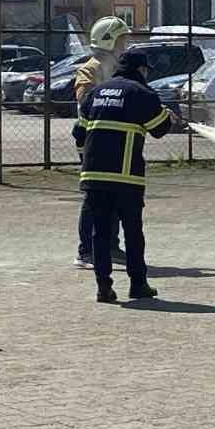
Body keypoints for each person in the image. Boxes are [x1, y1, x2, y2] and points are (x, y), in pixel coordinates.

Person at [73, 49, 181, 304]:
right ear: (141, 70)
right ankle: (138, 284)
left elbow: (79, 133)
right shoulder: (141, 93)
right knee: (133, 231)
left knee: (99, 234)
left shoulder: (97, 92)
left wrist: (88, 159)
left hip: (94, 176)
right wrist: (169, 116)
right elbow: (159, 129)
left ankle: (104, 288)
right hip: (125, 177)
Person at [72, 16, 131, 269]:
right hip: (93, 142)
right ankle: (86, 251)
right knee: (94, 198)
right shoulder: (89, 69)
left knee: (117, 194)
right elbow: (86, 100)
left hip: (116, 141)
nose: (125, 46)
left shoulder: (118, 68)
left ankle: (110, 246)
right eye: (121, 40)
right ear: (108, 41)